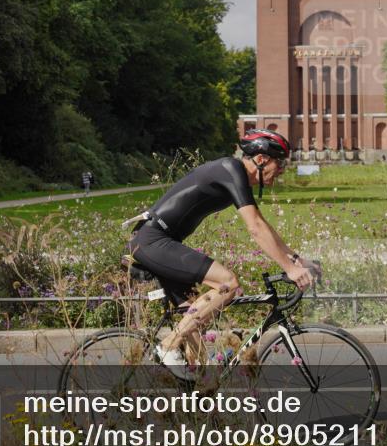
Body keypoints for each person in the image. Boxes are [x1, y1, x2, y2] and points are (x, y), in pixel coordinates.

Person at [127, 129, 318, 380]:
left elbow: (262, 224)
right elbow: (255, 228)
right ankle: (168, 346)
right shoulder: (231, 169)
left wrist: (296, 260)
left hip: (159, 242)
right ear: (261, 159)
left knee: (195, 322)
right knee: (228, 284)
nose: (282, 170)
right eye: (279, 162)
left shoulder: (234, 175)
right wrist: (292, 270)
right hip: (152, 241)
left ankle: (197, 401)